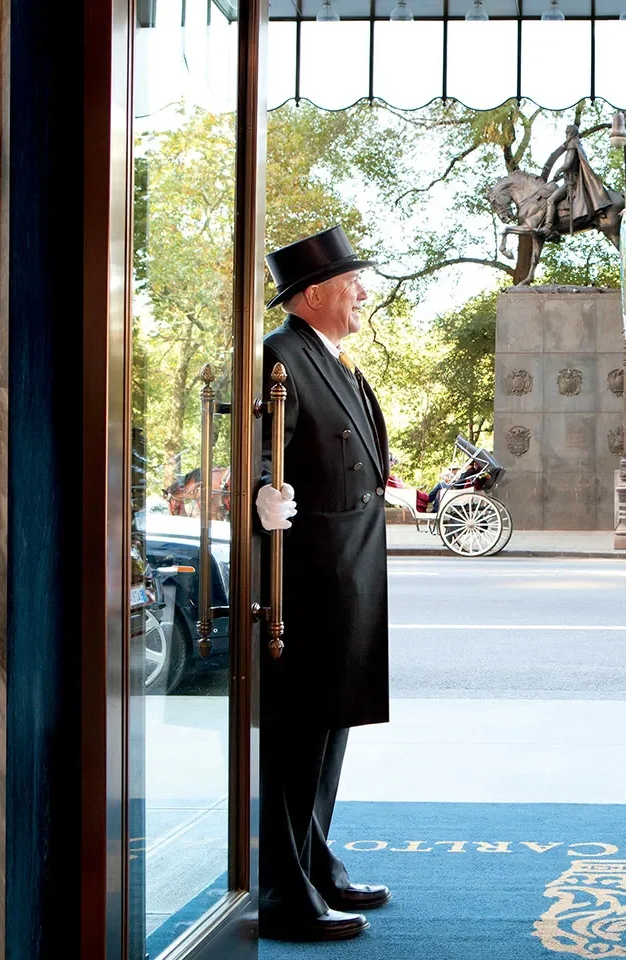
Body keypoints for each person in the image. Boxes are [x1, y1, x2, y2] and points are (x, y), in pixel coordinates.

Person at [255, 225, 392, 943]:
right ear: (312, 295)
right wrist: (255, 493)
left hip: (348, 574)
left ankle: (313, 859)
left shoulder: (333, 360)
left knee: (330, 729)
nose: (363, 292)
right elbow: (254, 447)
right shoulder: (279, 357)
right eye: (351, 283)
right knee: (296, 737)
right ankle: (283, 890)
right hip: (304, 581)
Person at [542, 124, 611, 236]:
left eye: (567, 133)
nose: (566, 135)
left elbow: (567, 164)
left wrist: (557, 172)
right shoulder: (579, 145)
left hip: (572, 182)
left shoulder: (572, 145)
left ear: (570, 133)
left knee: (550, 200)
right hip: (574, 179)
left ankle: (548, 227)